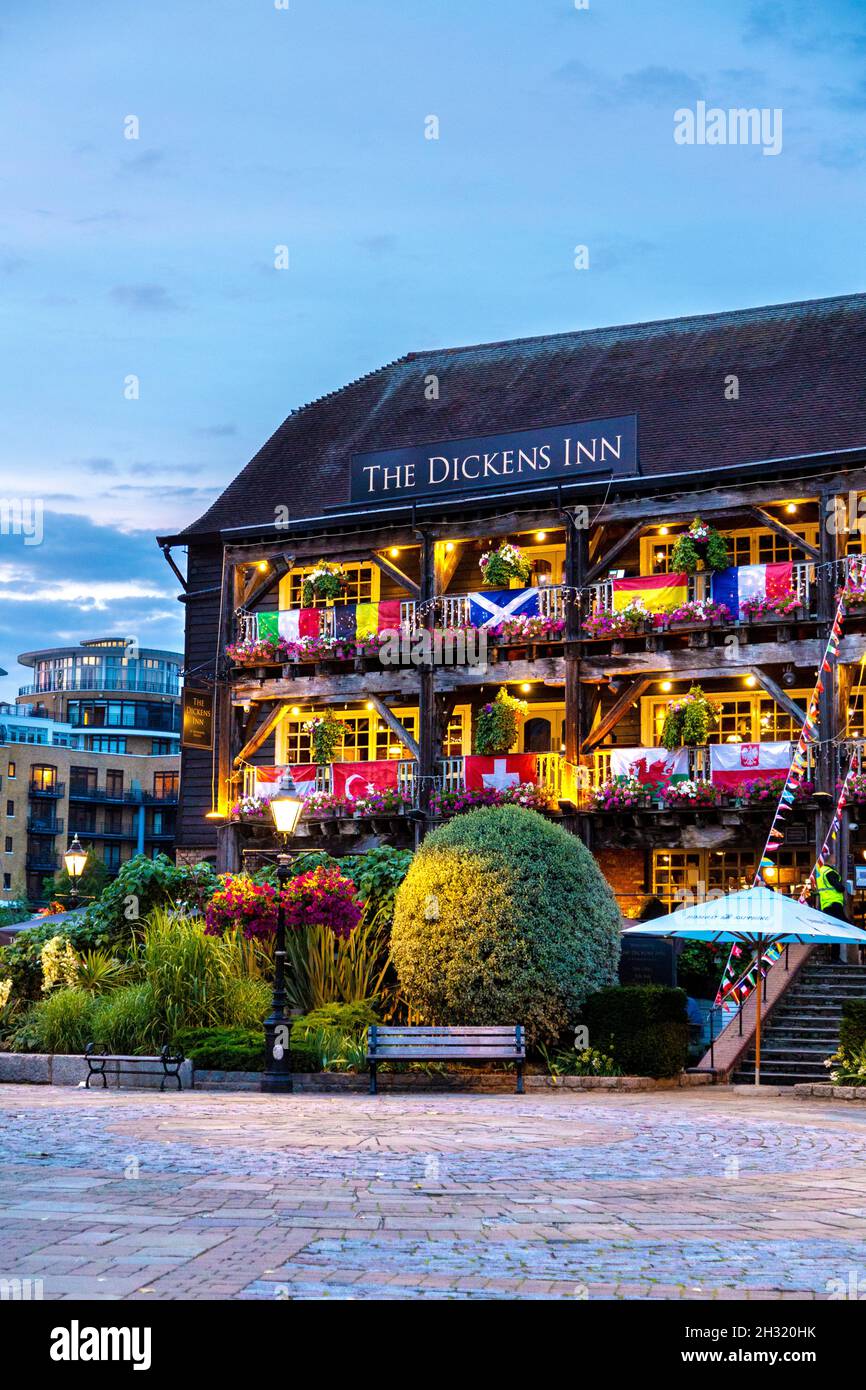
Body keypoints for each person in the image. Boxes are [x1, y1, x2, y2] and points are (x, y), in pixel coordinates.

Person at [814, 861, 848, 961]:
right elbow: (839, 888)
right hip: (835, 904)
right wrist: (843, 887)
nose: (835, 863)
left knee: (836, 929)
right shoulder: (829, 872)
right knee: (844, 927)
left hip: (826, 905)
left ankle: (834, 956)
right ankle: (835, 957)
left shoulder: (820, 872)